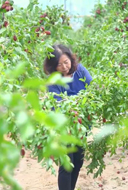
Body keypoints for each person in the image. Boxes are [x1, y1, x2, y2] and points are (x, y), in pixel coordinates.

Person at [43, 44, 92, 190]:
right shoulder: (53, 81)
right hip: (64, 127)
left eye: (66, 62)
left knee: (78, 162)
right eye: (59, 64)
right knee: (67, 164)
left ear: (71, 58)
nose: (64, 67)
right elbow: (57, 106)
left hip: (81, 124)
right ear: (53, 66)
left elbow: (92, 88)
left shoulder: (80, 70)